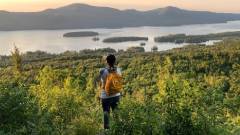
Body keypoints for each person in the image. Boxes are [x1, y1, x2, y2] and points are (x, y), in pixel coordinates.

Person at [98, 54, 122, 129]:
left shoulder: (103, 71)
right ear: (115, 61)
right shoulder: (118, 70)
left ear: (107, 62)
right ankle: (118, 129)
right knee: (116, 114)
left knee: (106, 114)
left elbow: (101, 77)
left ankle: (107, 131)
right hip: (116, 95)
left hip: (106, 96)